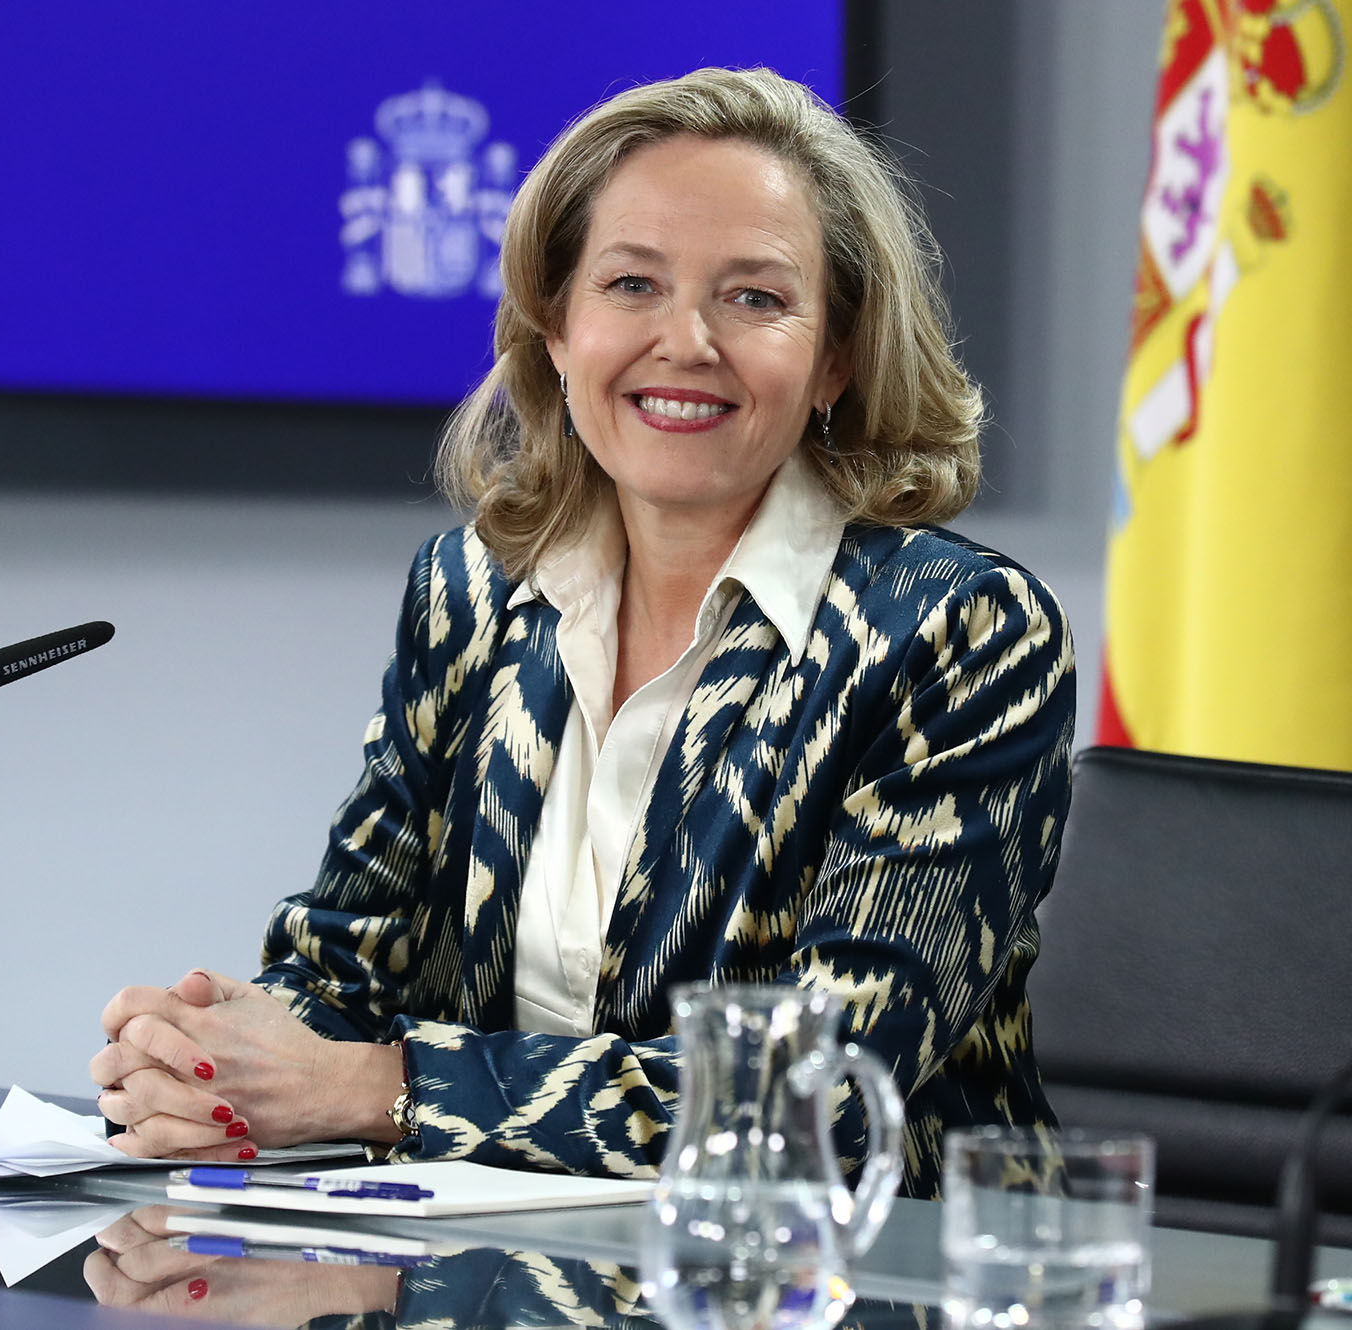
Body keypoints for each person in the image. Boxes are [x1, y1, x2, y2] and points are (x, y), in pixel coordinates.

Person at [90, 67, 1073, 1199]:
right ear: (553, 330)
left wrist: (380, 1089)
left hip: (855, 1286)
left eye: (754, 298)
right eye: (630, 285)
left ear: (835, 359)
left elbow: (820, 1097)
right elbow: (344, 966)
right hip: (500, 1272)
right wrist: (209, 1062)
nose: (685, 341)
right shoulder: (471, 591)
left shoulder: (959, 633)